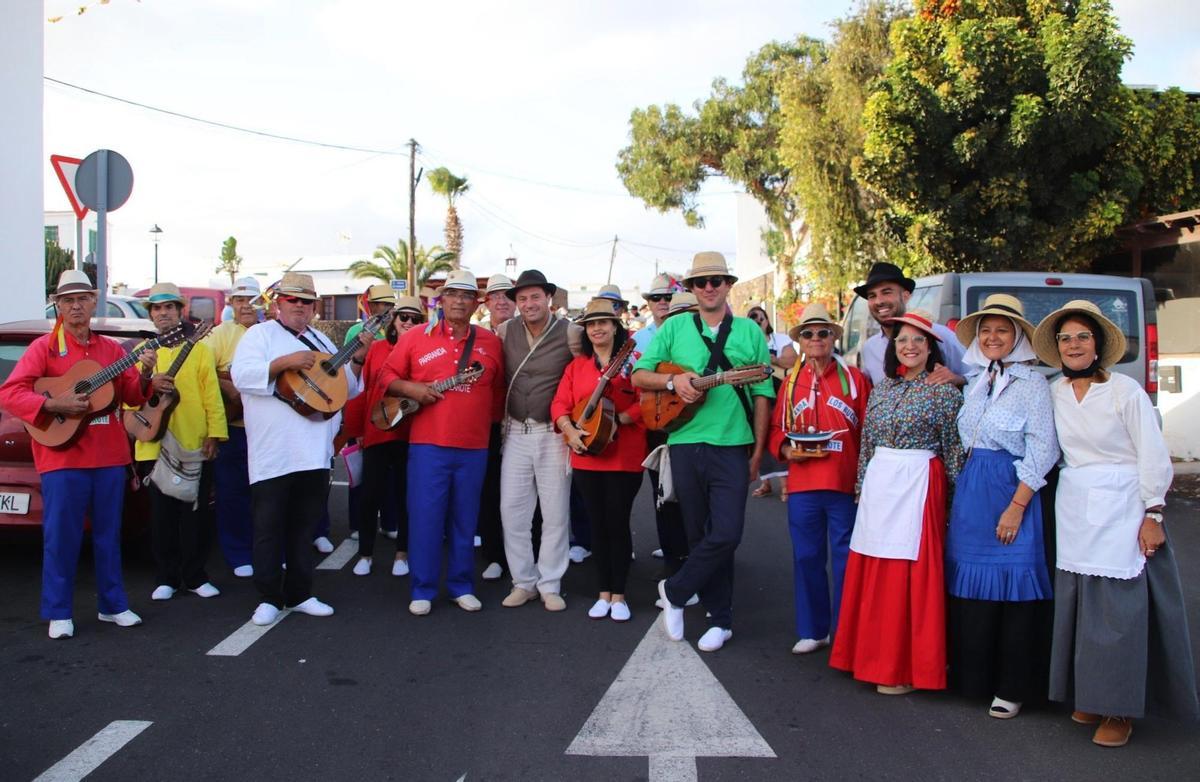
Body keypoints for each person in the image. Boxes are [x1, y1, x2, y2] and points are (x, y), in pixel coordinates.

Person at [1033, 300, 1199, 747]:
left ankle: (1120, 709)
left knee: (1119, 615)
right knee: (1082, 610)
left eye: (1082, 336)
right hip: (1075, 507)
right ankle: (1090, 694)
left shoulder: (1125, 392)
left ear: (1099, 343)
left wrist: (1153, 512)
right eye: (1065, 338)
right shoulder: (1053, 392)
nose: (1073, 344)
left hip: (1124, 505)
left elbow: (1152, 452)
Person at [0, 270, 160, 638]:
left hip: (109, 455)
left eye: (82, 299)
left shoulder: (110, 350)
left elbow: (133, 396)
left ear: (93, 302)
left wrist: (146, 374)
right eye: (68, 300)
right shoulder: (43, 348)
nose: (76, 306)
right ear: (58, 305)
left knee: (109, 536)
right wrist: (53, 403)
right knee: (62, 537)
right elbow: (11, 392)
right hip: (63, 457)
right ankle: (59, 611)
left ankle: (113, 604)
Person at [633, 252, 775, 653]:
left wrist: (758, 452)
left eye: (716, 280)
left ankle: (675, 591)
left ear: (729, 284)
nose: (709, 288)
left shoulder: (748, 332)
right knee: (698, 535)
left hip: (732, 444)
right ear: (692, 290)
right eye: (701, 282)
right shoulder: (675, 327)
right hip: (684, 443)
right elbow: (639, 374)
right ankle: (720, 617)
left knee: (726, 533)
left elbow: (763, 394)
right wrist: (673, 383)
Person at [830, 310, 964, 693]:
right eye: (902, 340)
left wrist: (952, 504)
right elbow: (868, 444)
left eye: (918, 341)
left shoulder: (943, 392)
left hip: (919, 484)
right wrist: (860, 486)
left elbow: (954, 451)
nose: (909, 347)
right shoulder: (883, 389)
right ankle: (865, 656)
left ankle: (903, 666)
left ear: (931, 348)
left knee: (908, 574)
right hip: (880, 484)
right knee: (874, 568)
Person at [231, 272, 368, 626]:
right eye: (293, 300)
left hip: (314, 453)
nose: (300, 307)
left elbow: (347, 389)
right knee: (268, 527)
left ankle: (300, 592)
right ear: (278, 303)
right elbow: (241, 376)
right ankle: (268, 597)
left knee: (303, 527)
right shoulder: (259, 335)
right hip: (273, 454)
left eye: (306, 302)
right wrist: (283, 363)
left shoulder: (321, 339)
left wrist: (356, 360)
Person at [944, 294, 1058, 719]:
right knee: (972, 590)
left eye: (1002, 330)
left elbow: (1044, 448)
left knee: (1015, 589)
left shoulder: (1033, 386)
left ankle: (1013, 687)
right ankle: (974, 679)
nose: (993, 337)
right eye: (986, 330)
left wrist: (1016, 506)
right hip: (974, 490)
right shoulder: (976, 381)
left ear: (1018, 337)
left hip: (1012, 489)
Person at [382, 270, 504, 615]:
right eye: (452, 294)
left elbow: (497, 393)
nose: (459, 301)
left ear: (476, 302)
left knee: (466, 519)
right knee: (426, 517)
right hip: (427, 444)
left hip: (475, 445)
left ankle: (461, 585)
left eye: (467, 295)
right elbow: (385, 377)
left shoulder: (491, 341)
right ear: (441, 299)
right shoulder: (416, 337)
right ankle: (422, 588)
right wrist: (412, 389)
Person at [767, 303, 870, 655]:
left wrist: (865, 479)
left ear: (832, 338)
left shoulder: (855, 380)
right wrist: (785, 450)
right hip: (804, 485)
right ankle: (813, 629)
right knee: (806, 556)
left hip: (844, 483)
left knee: (846, 559)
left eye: (822, 333)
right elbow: (776, 429)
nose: (815, 339)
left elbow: (870, 431)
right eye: (808, 334)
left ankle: (846, 630)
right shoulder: (791, 383)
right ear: (800, 341)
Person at [552, 299, 646, 622]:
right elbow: (559, 406)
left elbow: (649, 403)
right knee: (597, 524)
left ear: (616, 325)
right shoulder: (576, 367)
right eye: (591, 324)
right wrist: (569, 431)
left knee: (617, 522)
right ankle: (602, 592)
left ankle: (619, 594)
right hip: (586, 457)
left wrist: (620, 418)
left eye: (603, 322)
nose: (597, 328)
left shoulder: (634, 362)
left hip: (624, 457)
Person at [135, 282, 227, 603]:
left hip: (194, 442)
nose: (164, 313)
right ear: (151, 314)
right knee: (161, 516)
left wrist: (215, 434)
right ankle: (166, 577)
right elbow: (131, 401)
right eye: (158, 309)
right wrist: (145, 375)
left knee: (195, 514)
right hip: (154, 443)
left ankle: (195, 575)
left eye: (170, 307)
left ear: (180, 311)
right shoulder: (141, 353)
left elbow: (212, 397)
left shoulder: (200, 349)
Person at [497, 269, 583, 612]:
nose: (529, 304)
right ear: (515, 302)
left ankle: (550, 583)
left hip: (554, 432)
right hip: (516, 430)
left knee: (555, 512)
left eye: (535, 297)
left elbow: (584, 373)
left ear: (548, 298)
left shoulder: (571, 332)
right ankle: (523, 582)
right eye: (522, 298)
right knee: (512, 511)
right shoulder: (504, 331)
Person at [348, 295, 425, 578]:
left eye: (415, 319)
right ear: (393, 320)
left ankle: (402, 554)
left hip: (411, 434)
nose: (408, 322)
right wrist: (356, 430)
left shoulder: (424, 351)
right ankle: (365, 554)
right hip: (376, 432)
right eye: (403, 316)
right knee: (370, 496)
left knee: (407, 496)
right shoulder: (377, 348)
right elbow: (360, 391)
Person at [633, 274, 688, 576]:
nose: (663, 303)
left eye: (668, 297)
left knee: (692, 492)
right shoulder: (640, 339)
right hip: (656, 423)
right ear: (649, 304)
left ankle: (690, 551)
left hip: (690, 421)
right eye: (656, 299)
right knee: (662, 490)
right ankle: (672, 549)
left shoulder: (695, 331)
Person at [209, 276, 261, 577]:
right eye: (240, 300)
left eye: (251, 300)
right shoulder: (220, 334)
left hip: (266, 428)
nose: (245, 306)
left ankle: (264, 550)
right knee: (232, 493)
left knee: (266, 493)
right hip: (234, 425)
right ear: (232, 304)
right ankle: (238, 553)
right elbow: (203, 372)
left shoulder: (271, 333)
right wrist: (228, 388)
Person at [855, 262, 968, 386]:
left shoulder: (940, 335)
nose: (879, 301)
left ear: (905, 296)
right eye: (872, 296)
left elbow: (978, 378)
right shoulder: (870, 348)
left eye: (886, 292)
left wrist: (958, 379)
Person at [478, 273, 514, 581]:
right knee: (490, 491)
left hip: (523, 424)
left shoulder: (531, 333)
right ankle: (495, 555)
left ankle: (528, 556)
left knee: (528, 496)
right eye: (495, 295)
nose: (501, 300)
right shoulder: (477, 337)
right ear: (487, 302)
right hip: (487, 425)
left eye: (507, 294)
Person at [748, 305, 797, 499]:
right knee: (760, 437)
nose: (758, 321)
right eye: (753, 318)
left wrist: (771, 358)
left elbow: (791, 361)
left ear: (767, 320)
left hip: (780, 395)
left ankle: (785, 485)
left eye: (761, 317)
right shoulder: (748, 341)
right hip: (758, 396)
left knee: (779, 435)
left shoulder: (781, 339)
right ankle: (765, 482)